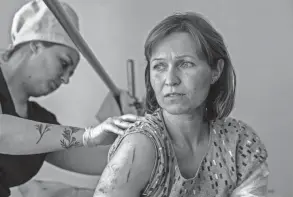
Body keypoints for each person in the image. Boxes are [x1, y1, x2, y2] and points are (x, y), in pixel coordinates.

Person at [93, 12, 269, 197]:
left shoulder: (240, 143)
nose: (170, 80)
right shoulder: (139, 146)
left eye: (185, 64)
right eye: (159, 66)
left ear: (216, 71)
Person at [0, 1, 141, 196]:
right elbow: (4, 133)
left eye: (71, 73)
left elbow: (104, 162)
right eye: (64, 63)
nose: (65, 79)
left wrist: (128, 129)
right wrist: (88, 135)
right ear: (35, 45)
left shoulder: (41, 120)